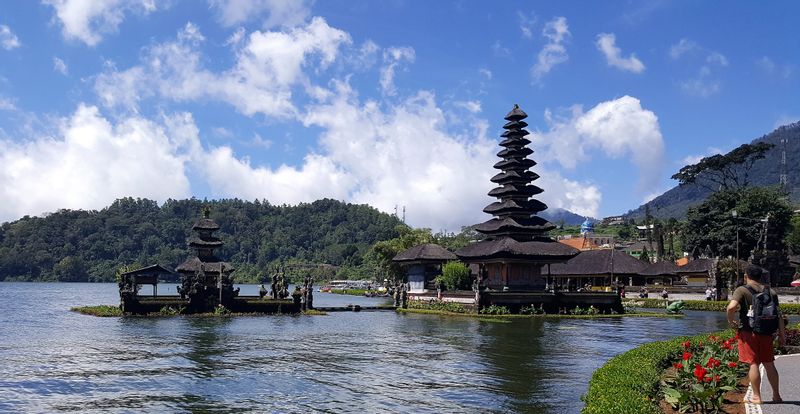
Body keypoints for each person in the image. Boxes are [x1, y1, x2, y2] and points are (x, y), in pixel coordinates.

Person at [726, 265, 786, 404]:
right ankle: (776, 395)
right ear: (761, 277)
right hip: (767, 332)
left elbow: (731, 307)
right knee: (769, 364)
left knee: (753, 363)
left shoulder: (742, 290)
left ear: (746, 276)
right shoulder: (771, 292)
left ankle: (757, 397)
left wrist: (730, 321)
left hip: (748, 332)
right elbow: (779, 316)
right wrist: (782, 335)